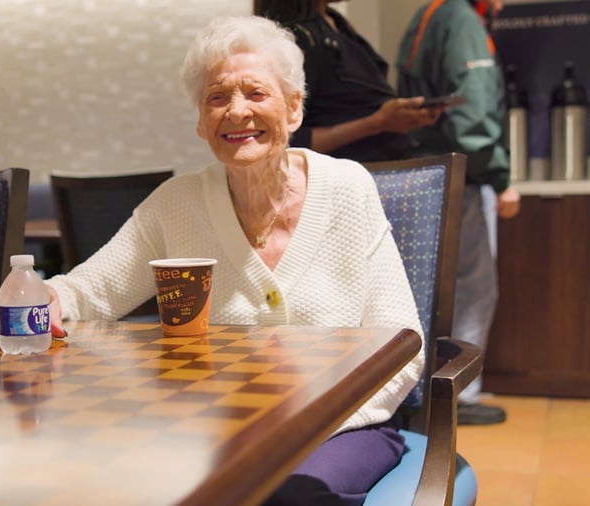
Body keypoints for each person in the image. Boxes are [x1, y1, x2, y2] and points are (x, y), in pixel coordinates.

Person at [46, 15, 424, 504]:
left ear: (293, 109)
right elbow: (88, 291)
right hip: (216, 428)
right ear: (201, 122)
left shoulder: (348, 190)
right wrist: (47, 295)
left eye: (256, 93)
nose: (236, 111)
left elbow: (401, 342)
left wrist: (308, 424)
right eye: (218, 97)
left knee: (284, 493)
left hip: (343, 429)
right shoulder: (175, 204)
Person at [396, 0, 521, 425]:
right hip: (462, 175)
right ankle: (460, 398)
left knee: (435, 291)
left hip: (429, 172)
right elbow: (473, 114)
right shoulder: (463, 20)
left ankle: (429, 393)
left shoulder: (428, 14)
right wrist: (500, 178)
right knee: (473, 288)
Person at [257, 0, 442, 162]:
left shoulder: (336, 25)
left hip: (388, 165)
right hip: (350, 177)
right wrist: (377, 123)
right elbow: (283, 139)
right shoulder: (299, 40)